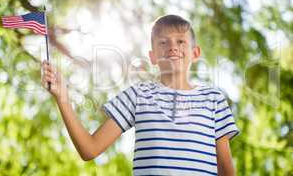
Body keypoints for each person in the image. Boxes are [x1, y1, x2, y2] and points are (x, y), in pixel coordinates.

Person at [41, 14, 239, 175]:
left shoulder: (213, 99)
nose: (172, 46)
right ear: (152, 56)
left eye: (180, 41)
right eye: (163, 42)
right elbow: (89, 149)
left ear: (195, 53)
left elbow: (224, 164)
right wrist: (63, 97)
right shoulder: (139, 95)